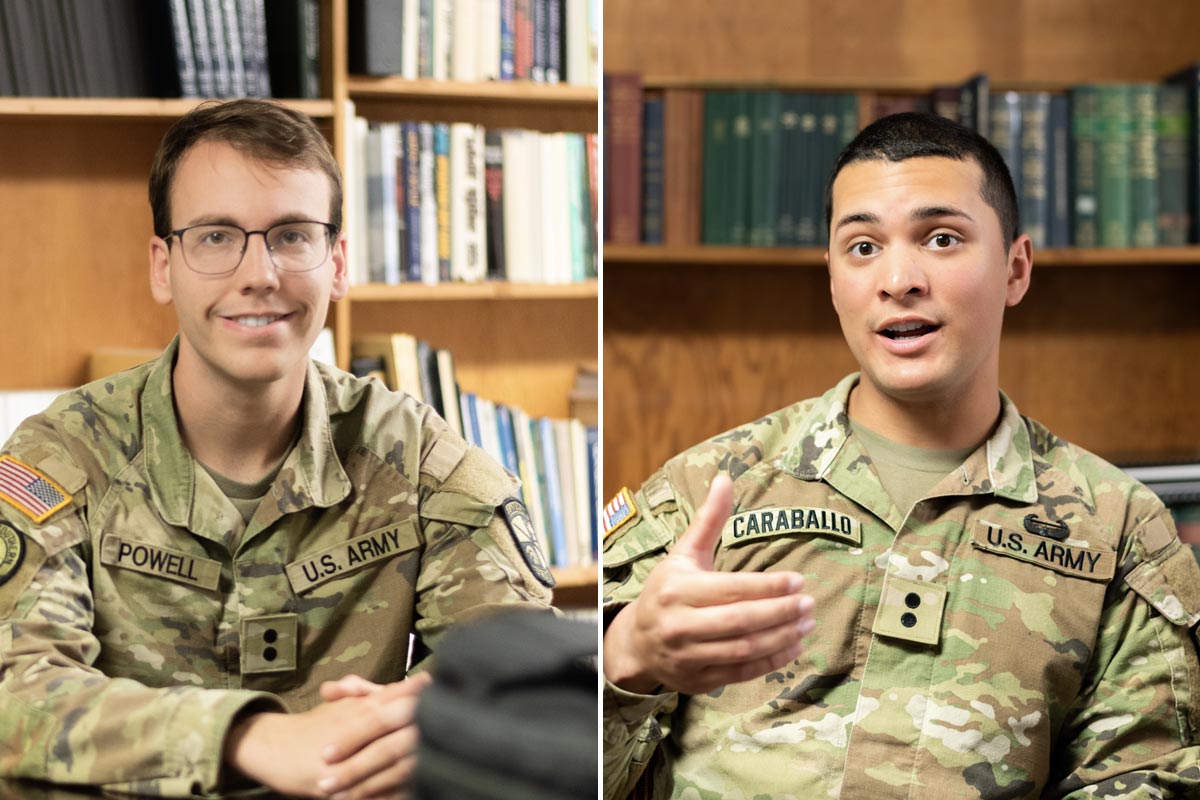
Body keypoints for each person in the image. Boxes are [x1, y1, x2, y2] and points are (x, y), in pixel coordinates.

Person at [601, 112, 1200, 799]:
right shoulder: (704, 492)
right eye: (862, 247)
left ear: (1016, 268)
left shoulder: (1121, 530)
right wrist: (627, 660)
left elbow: (1145, 782)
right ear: (831, 277)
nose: (898, 278)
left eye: (941, 238)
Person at [0, 99, 555, 798]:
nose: (260, 273)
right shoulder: (62, 460)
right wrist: (248, 736)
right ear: (162, 265)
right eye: (215, 237)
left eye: (292, 236)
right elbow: (16, 692)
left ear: (338, 262)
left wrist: (434, 721)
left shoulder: (421, 464)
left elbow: (528, 682)